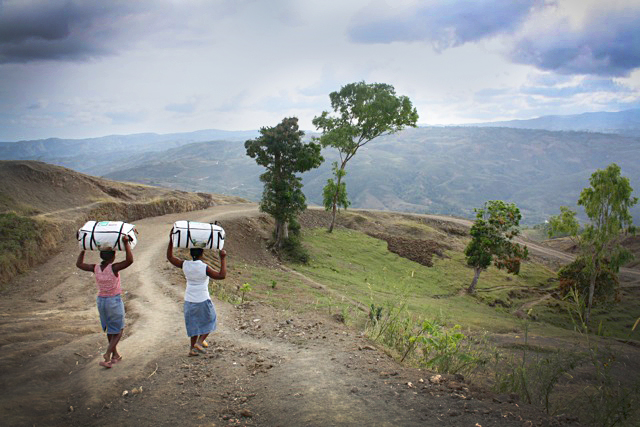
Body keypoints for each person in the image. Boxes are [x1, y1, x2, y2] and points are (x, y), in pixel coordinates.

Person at [76, 235, 133, 368]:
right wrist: (126, 244)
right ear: (112, 257)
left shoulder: (95, 268)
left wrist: (83, 249)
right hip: (114, 301)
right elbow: (130, 260)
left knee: (110, 329)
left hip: (101, 301)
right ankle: (107, 353)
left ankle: (115, 355)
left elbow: (79, 264)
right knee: (118, 330)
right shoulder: (113, 268)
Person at [167, 233, 226, 356]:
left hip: (189, 299)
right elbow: (222, 275)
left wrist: (171, 240)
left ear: (190, 254)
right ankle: (199, 342)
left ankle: (192, 349)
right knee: (211, 320)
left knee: (193, 324)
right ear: (202, 254)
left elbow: (170, 257)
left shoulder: (185, 265)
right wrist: (223, 257)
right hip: (203, 299)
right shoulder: (204, 267)